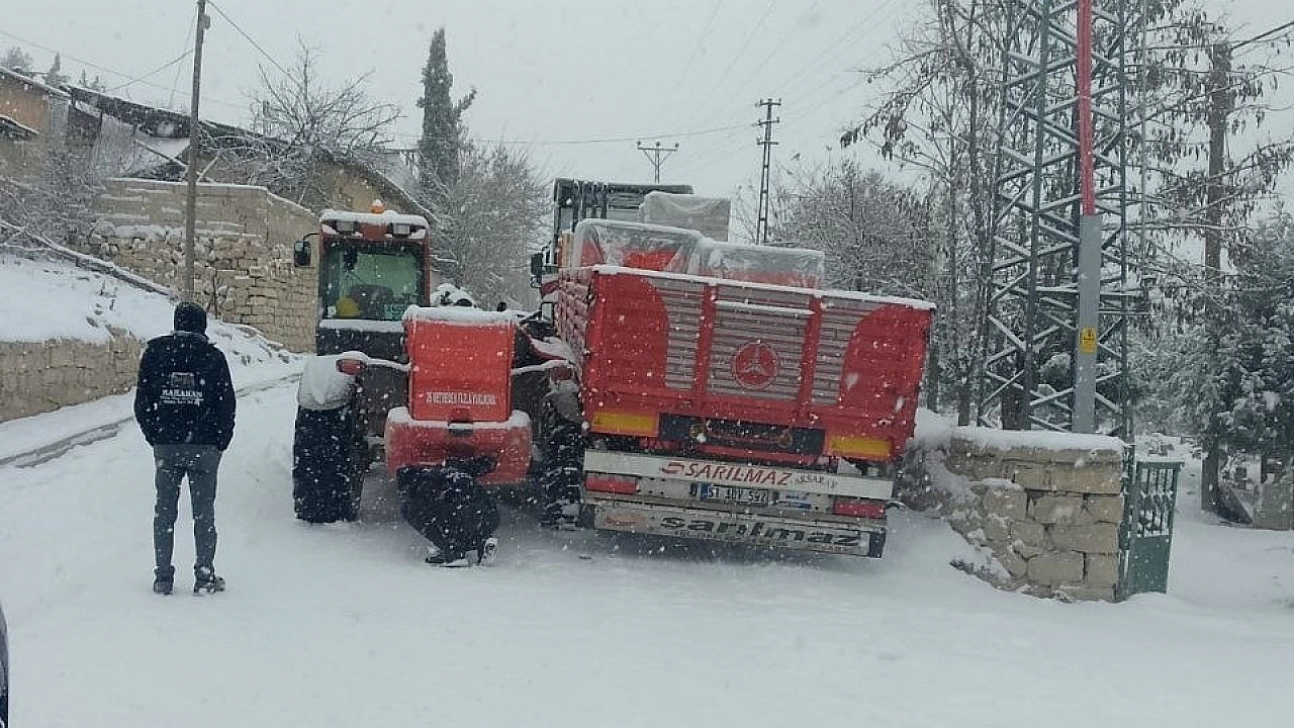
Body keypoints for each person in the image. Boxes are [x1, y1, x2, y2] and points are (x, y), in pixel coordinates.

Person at [134, 302, 236, 595]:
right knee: (204, 514)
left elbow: (142, 403)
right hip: (204, 447)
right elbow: (226, 404)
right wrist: (220, 442)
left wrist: (155, 435)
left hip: (166, 445)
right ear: (203, 327)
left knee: (164, 514)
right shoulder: (213, 358)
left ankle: (163, 577)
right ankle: (204, 576)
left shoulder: (155, 354)